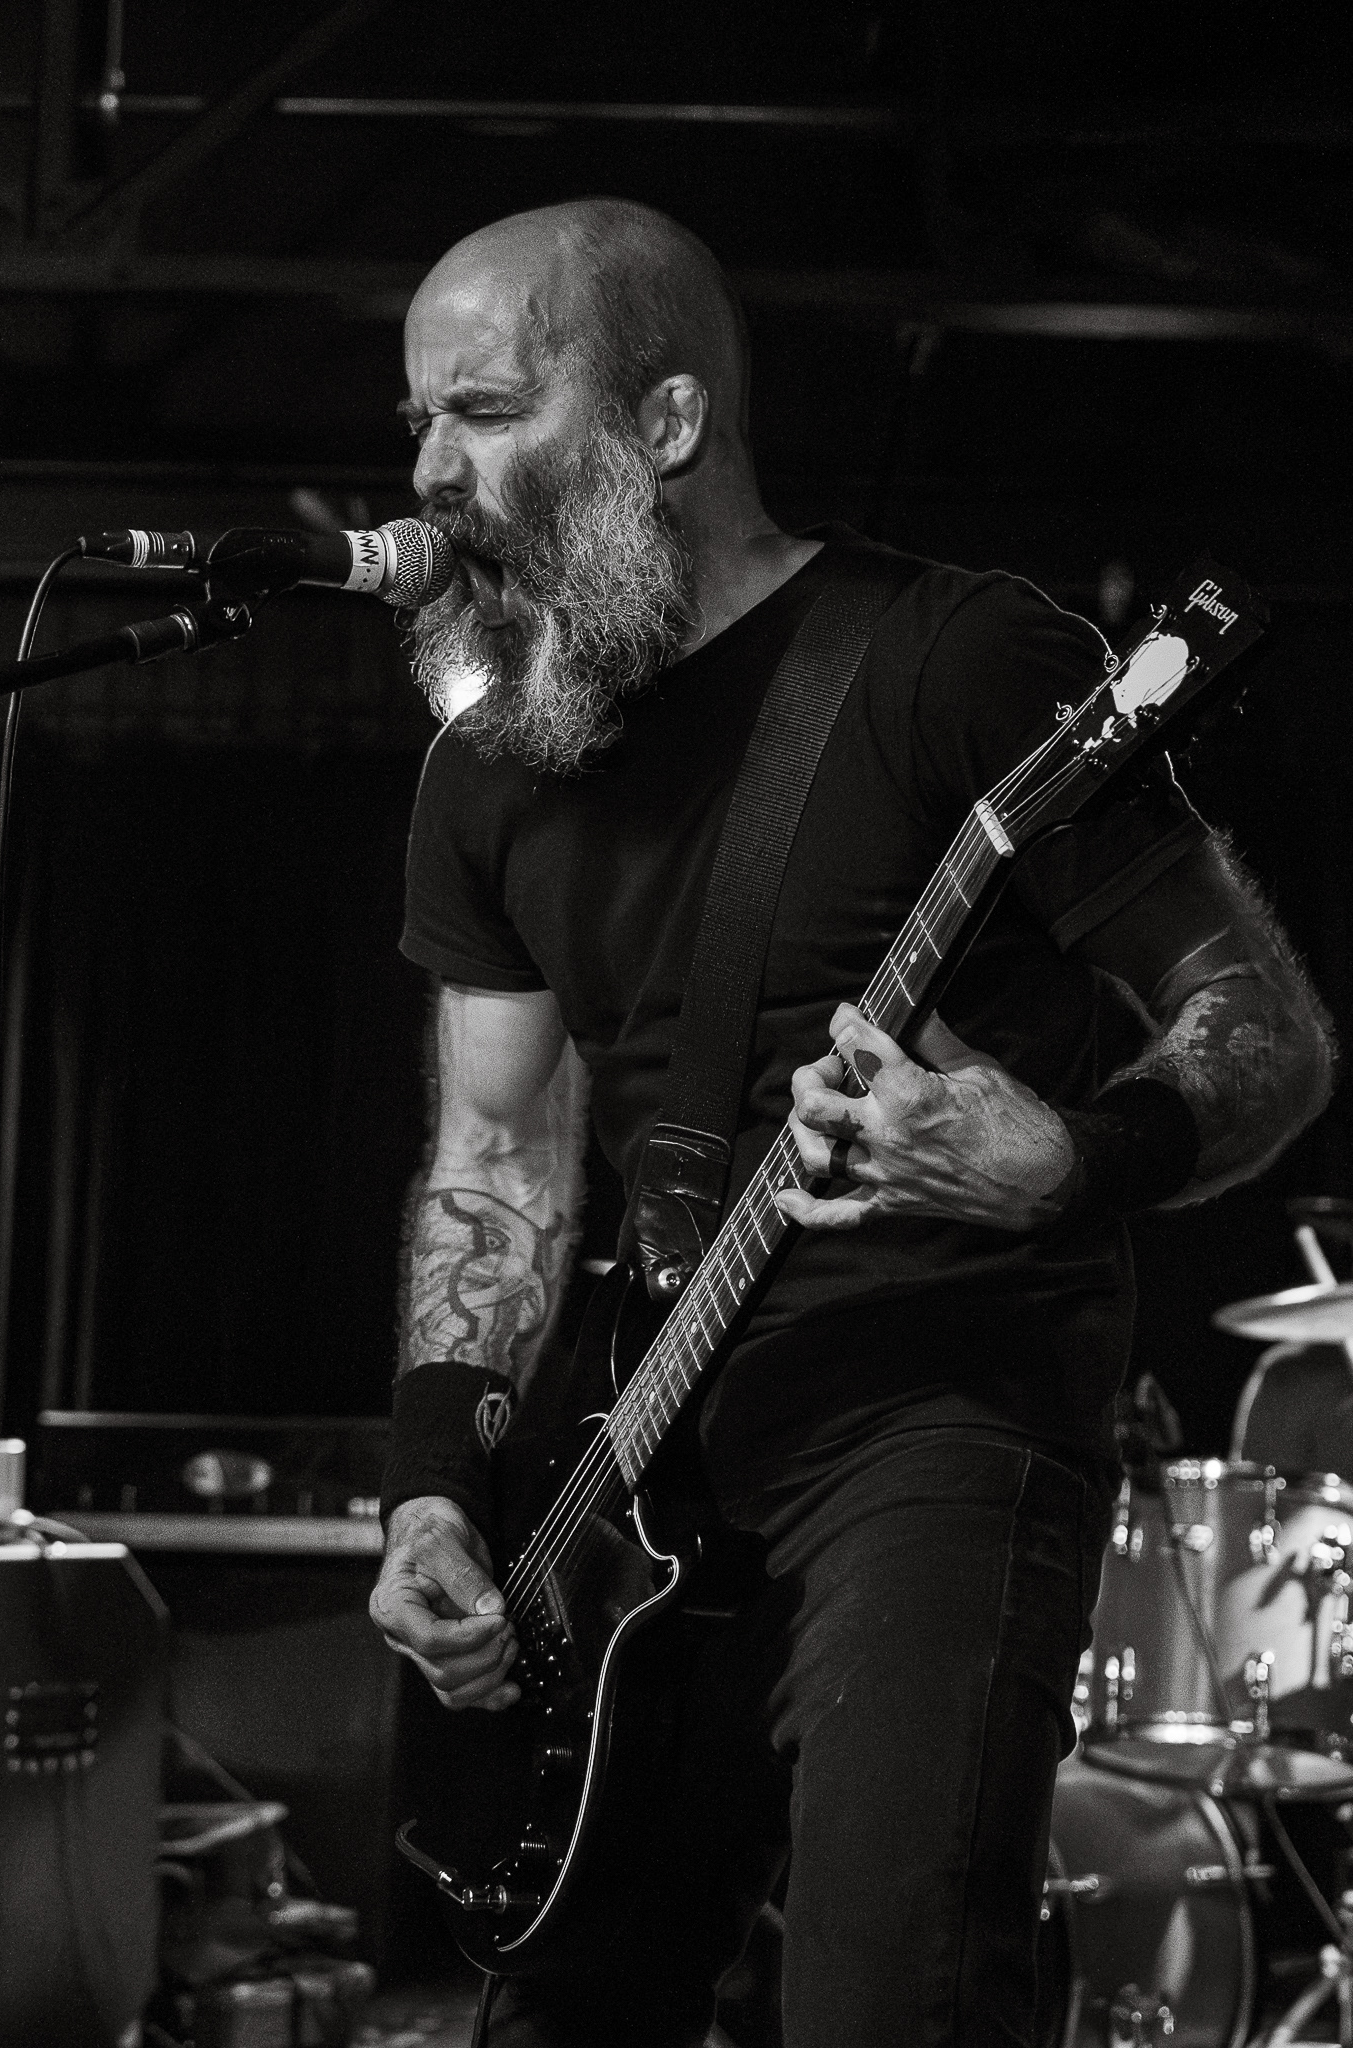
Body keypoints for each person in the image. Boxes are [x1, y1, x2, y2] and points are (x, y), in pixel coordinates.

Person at [368, 198, 1334, 2047]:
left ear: (663, 423)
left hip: (933, 1406)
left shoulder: (948, 661)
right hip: (644, 1454)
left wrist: (1074, 1156)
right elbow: (493, 1158)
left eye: (482, 411)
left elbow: (1262, 1031)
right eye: (419, 423)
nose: (429, 473)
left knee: (888, 1988)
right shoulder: (488, 769)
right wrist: (434, 1481)